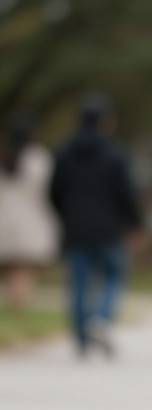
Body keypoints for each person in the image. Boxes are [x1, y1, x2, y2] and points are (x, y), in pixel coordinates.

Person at [49, 95, 144, 358]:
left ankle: (81, 339)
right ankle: (101, 318)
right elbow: (126, 193)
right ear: (106, 122)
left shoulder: (64, 152)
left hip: (75, 227)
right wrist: (135, 224)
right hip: (109, 228)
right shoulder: (115, 154)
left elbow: (54, 191)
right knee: (114, 275)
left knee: (78, 282)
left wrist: (65, 215)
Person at [0, 114, 58, 308]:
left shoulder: (5, 155)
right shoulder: (38, 158)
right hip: (30, 219)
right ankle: (19, 304)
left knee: (13, 268)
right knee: (23, 268)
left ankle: (14, 301)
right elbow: (48, 188)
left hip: (5, 218)